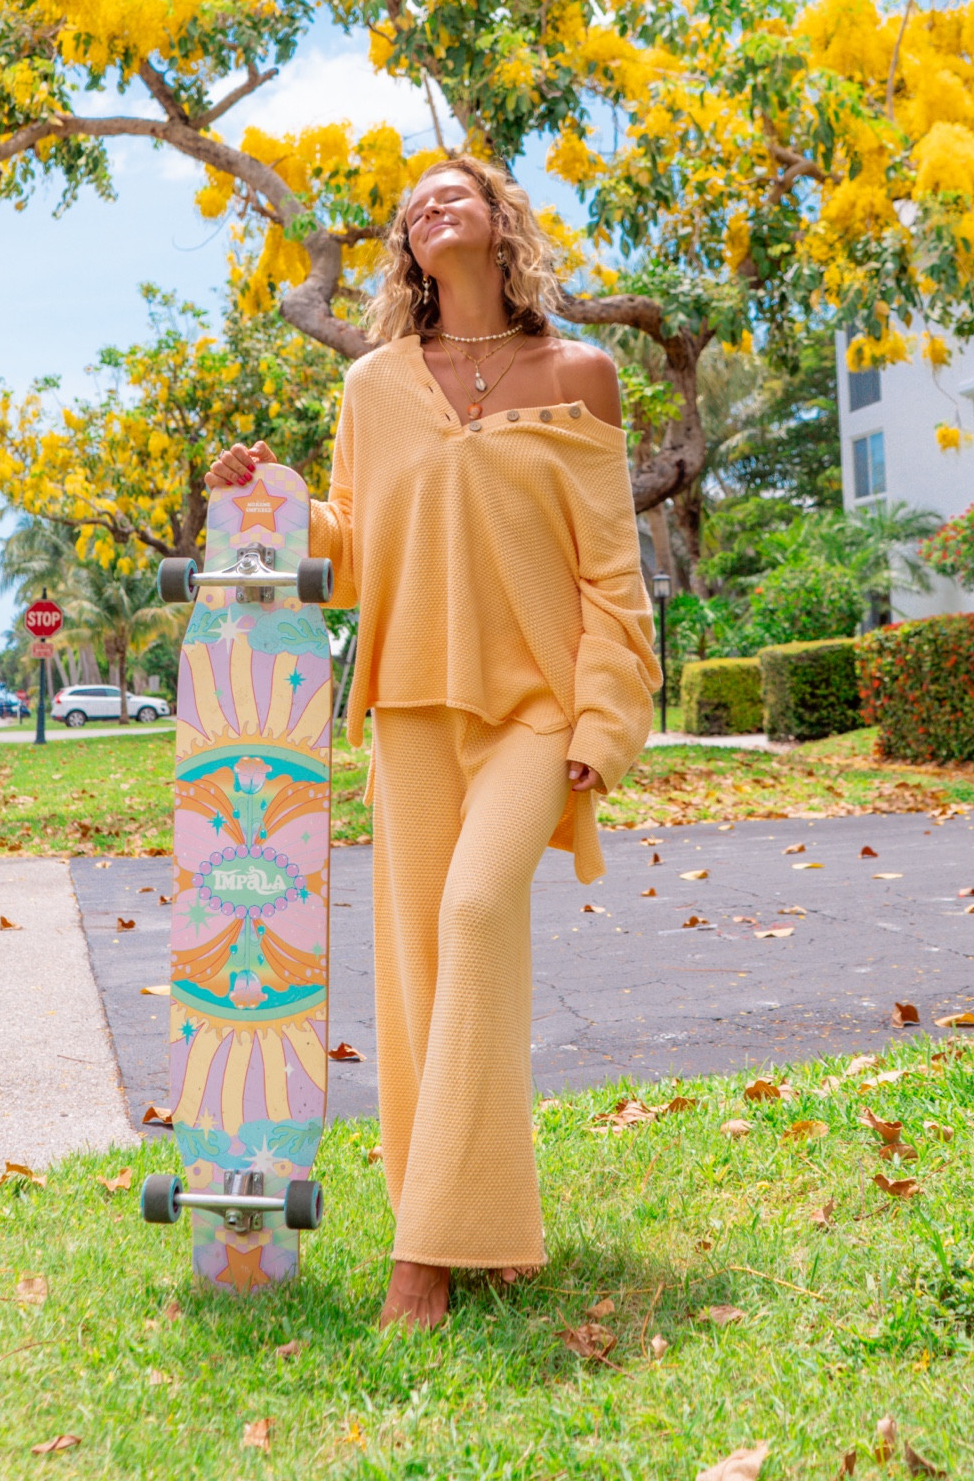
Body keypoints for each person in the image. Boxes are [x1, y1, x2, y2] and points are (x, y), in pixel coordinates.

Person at [205, 155, 660, 1328]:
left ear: (499, 222)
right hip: (406, 701)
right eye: (413, 203)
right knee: (420, 975)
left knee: (471, 917)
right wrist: (264, 501)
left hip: (536, 708)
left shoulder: (582, 375)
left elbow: (611, 570)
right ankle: (488, 1219)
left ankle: (426, 1253)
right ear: (407, 248)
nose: (427, 203)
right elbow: (350, 545)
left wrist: (606, 720)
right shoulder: (374, 386)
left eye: (452, 189)